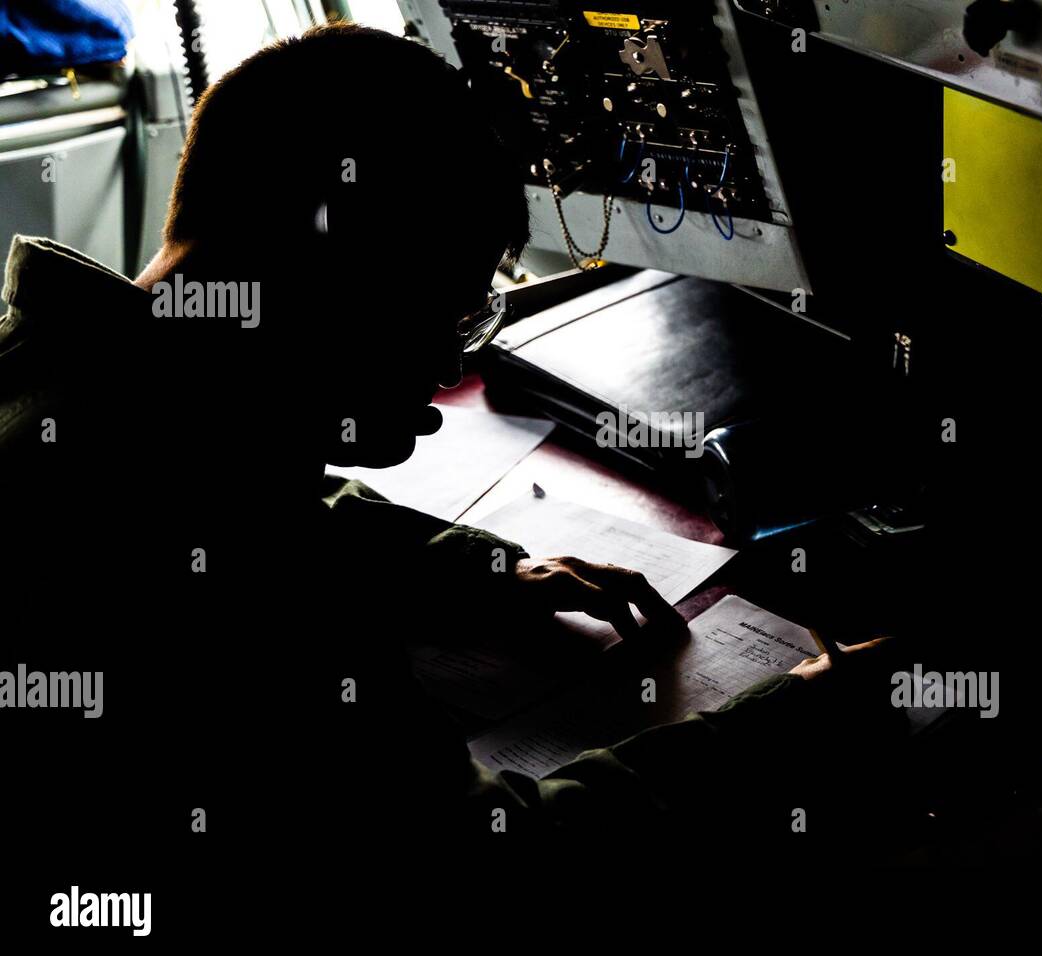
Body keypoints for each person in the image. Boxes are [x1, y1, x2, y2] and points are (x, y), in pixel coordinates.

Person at [0, 23, 904, 873]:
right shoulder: (231, 580)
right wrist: (797, 722)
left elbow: (269, 500)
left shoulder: (74, 377)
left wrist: (474, 571)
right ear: (333, 261)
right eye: (447, 309)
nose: (443, 370)